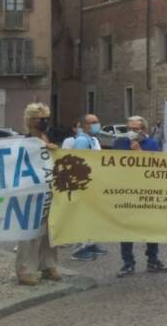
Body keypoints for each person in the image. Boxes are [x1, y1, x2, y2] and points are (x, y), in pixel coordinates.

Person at [113, 116, 167, 276]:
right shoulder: (119, 143)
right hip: (126, 191)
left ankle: (152, 260)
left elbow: (157, 166)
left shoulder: (151, 144)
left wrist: (139, 152)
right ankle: (128, 263)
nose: (131, 132)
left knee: (151, 227)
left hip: (147, 191)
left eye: (136, 129)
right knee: (126, 228)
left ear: (143, 130)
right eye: (129, 129)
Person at [15, 103, 60, 286]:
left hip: (50, 190)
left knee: (50, 230)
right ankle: (25, 269)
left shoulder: (49, 136)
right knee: (30, 231)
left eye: (46, 118)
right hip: (31, 192)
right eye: (41, 119)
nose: (45, 122)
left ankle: (48, 265)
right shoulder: (24, 142)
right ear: (31, 121)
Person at [64, 113, 108, 261]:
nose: (96, 124)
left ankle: (90, 244)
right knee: (82, 216)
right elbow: (78, 163)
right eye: (92, 122)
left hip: (93, 183)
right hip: (84, 184)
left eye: (97, 121)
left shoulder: (93, 140)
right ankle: (78, 250)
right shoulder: (82, 141)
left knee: (91, 216)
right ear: (83, 126)